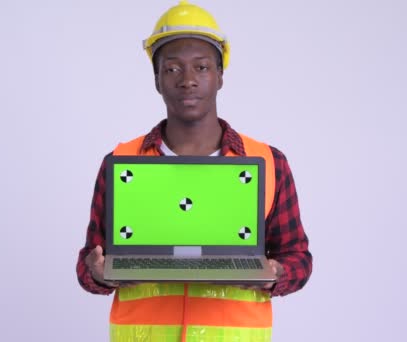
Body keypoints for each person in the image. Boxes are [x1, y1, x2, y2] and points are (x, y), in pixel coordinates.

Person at [76, 1, 312, 341]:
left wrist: (274, 273)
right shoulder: (122, 160)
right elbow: (89, 264)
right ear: (157, 80)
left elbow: (298, 258)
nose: (188, 80)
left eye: (201, 67)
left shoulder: (269, 162)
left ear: (220, 77)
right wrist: (98, 271)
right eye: (172, 69)